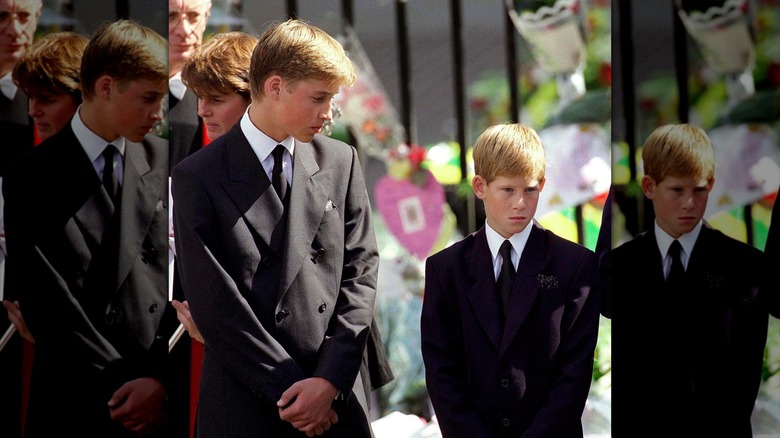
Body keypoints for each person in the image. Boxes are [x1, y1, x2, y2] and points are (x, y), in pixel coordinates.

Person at [172, 18, 379, 437]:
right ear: (275, 87)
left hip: (334, 400)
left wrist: (328, 382)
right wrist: (295, 394)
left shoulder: (341, 161)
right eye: (318, 98)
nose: (327, 113)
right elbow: (217, 305)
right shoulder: (198, 175)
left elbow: (361, 275)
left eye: (332, 99)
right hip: (248, 404)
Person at [2, 19, 176, 437]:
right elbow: (46, 298)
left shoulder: (170, 162)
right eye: (148, 99)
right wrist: (121, 382)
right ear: (105, 87)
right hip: (74, 396)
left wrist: (159, 380)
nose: (157, 114)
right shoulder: (29, 176)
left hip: (154, 398)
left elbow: (181, 282)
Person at [420, 123, 601, 437]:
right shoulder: (445, 269)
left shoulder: (574, 264)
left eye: (530, 189)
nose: (521, 202)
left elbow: (574, 372)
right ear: (480, 187)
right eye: (508, 190)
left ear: (542, 185)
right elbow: (441, 370)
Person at [603, 123, 769, 437]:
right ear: (649, 187)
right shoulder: (620, 267)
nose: (690, 203)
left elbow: (744, 378)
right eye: (677, 190)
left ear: (712, 185)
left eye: (699, 190)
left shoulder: (746, 268)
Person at [2, 31, 89, 342]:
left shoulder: (118, 163)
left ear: (85, 96)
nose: (33, 110)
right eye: (31, 98)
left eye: (47, 100)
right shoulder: (21, 165)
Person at [168, 0, 210, 173]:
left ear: (206, 17)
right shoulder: (121, 88)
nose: (184, 31)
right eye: (171, 16)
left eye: (194, 17)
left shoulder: (220, 87)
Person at [0, 0, 40, 174]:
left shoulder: (53, 89)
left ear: (37, 18)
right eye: (1, 17)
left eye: (24, 17)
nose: (15, 31)